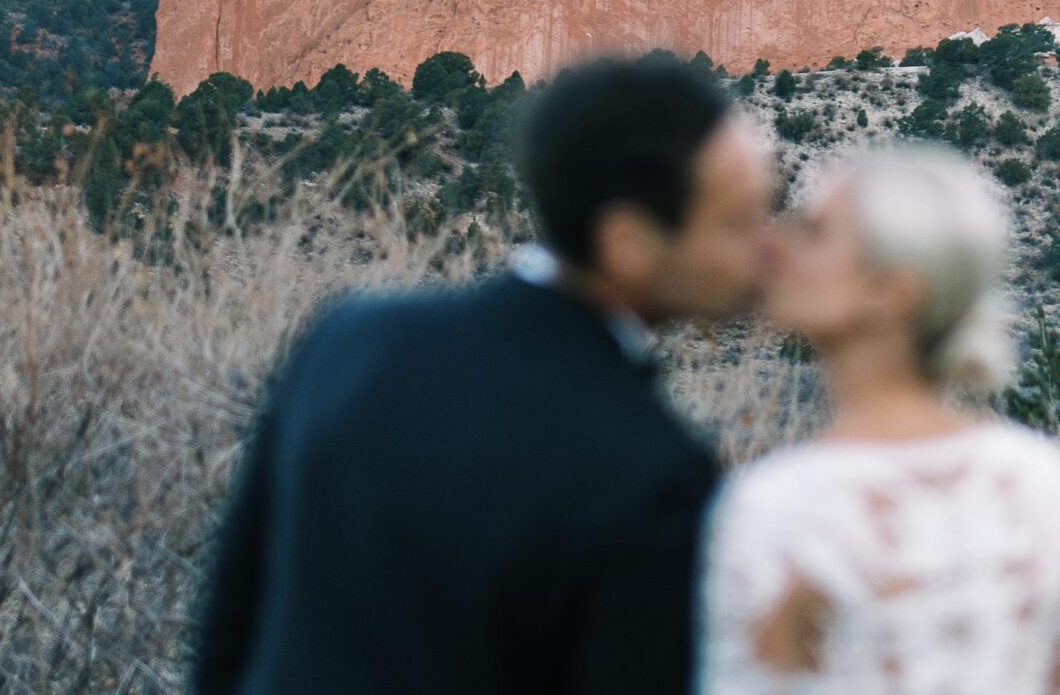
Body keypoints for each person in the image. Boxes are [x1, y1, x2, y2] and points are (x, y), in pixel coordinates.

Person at [192, 53, 773, 695]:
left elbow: (226, 629)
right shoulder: (655, 472)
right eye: (738, 222)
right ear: (629, 242)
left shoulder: (350, 337)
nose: (766, 246)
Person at [701, 142, 1060, 694]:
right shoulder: (1044, 481)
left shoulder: (779, 506)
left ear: (891, 292)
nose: (776, 246)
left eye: (814, 232)